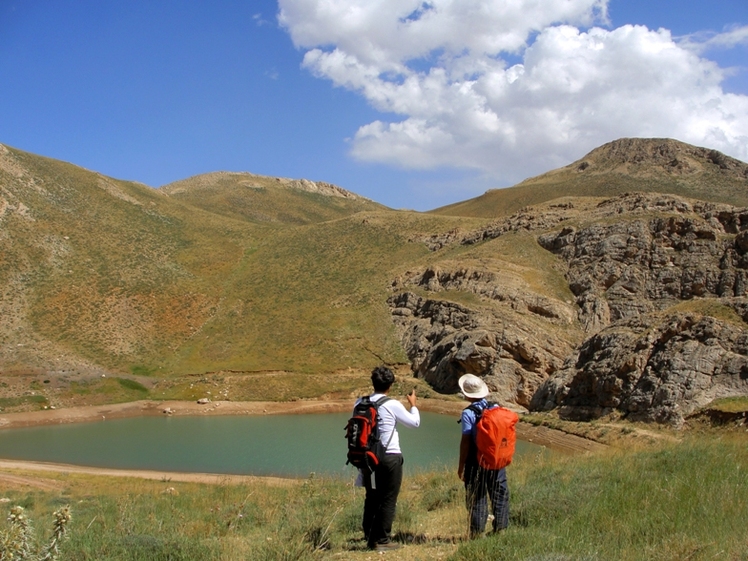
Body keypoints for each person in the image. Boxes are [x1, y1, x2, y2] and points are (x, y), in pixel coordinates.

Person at [356, 366, 420, 552]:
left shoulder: (360, 402)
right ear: (390, 385)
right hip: (389, 457)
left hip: (367, 458)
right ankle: (382, 540)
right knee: (388, 498)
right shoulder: (391, 404)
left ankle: (369, 535)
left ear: (373, 382)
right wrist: (413, 404)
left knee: (372, 496)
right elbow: (414, 423)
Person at [457, 373, 510, 537]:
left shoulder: (468, 413)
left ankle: (476, 533)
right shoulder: (495, 407)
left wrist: (461, 466)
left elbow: (466, 441)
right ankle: (500, 529)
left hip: (476, 461)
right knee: (499, 493)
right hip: (495, 459)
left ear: (467, 394)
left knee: (476, 496)